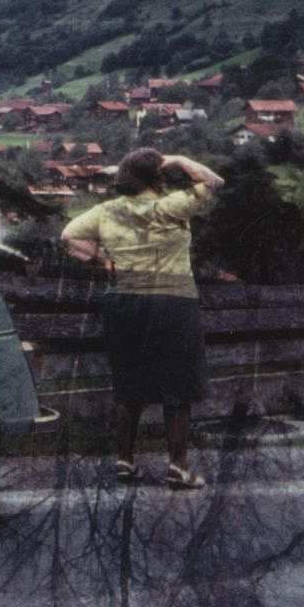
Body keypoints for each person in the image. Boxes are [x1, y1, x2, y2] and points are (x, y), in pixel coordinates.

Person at [60, 149, 224, 490]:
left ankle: (124, 461)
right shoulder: (170, 206)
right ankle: (178, 467)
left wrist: (102, 258)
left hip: (124, 303)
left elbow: (69, 236)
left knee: (130, 385)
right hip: (172, 302)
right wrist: (181, 158)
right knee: (178, 386)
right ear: (158, 179)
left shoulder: (107, 211)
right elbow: (214, 182)